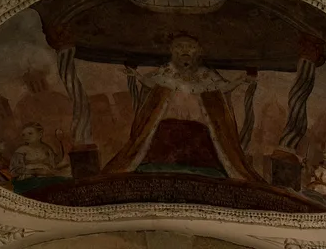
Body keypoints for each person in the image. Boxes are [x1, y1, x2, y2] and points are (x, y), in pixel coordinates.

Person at [105, 35, 263, 183]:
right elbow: (151, 83)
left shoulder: (205, 74)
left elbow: (223, 88)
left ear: (198, 51)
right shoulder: (167, 70)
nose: (185, 50)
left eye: (190, 47)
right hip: (165, 133)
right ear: (172, 51)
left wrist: (242, 80)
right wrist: (136, 76)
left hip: (200, 135)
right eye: (180, 46)